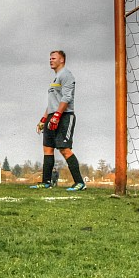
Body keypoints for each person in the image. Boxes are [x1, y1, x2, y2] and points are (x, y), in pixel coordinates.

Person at [31, 49, 86, 191]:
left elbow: (66, 98)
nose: (51, 60)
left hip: (64, 116)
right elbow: (52, 102)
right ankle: (46, 182)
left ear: (62, 60)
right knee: (47, 149)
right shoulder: (55, 79)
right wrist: (44, 119)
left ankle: (80, 183)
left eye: (53, 58)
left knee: (64, 149)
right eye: (50, 58)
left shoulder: (66, 75)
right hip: (52, 116)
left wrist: (57, 116)